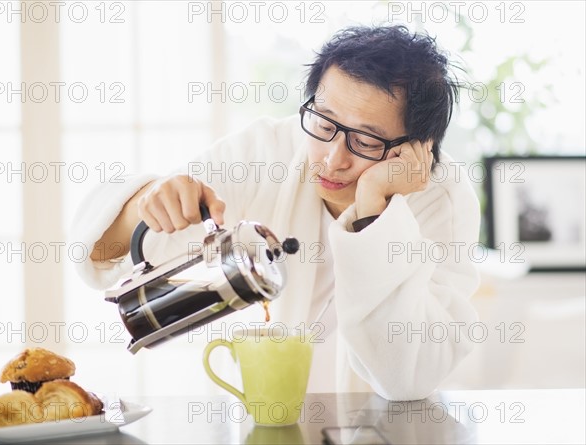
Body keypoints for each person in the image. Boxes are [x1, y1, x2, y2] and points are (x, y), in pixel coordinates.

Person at [72, 25, 480, 401]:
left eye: (367, 141)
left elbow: (407, 377)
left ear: (418, 148)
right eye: (325, 123)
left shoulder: (440, 199)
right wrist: (151, 199)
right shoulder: (266, 151)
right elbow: (103, 250)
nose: (333, 159)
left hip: (383, 428)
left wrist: (373, 208)